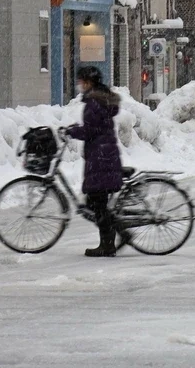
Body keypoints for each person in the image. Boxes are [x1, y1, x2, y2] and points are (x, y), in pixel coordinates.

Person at [65, 66, 124, 257]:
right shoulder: (101, 99)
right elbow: (95, 127)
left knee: (96, 203)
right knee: (97, 202)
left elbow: (90, 130)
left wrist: (71, 131)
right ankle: (109, 240)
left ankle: (109, 243)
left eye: (82, 81)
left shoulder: (94, 103)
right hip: (104, 155)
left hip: (101, 158)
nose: (80, 85)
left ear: (89, 83)